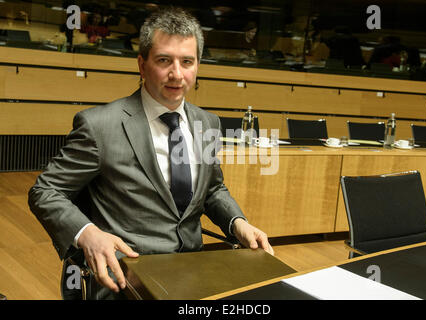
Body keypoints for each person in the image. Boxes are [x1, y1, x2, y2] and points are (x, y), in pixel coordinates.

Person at [28, 7, 273, 300]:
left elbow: (212, 189)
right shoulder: (99, 126)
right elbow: (45, 191)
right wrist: (87, 232)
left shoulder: (207, 123)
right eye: (164, 61)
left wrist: (237, 223)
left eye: (187, 62)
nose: (177, 74)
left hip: (197, 274)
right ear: (142, 65)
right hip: (127, 280)